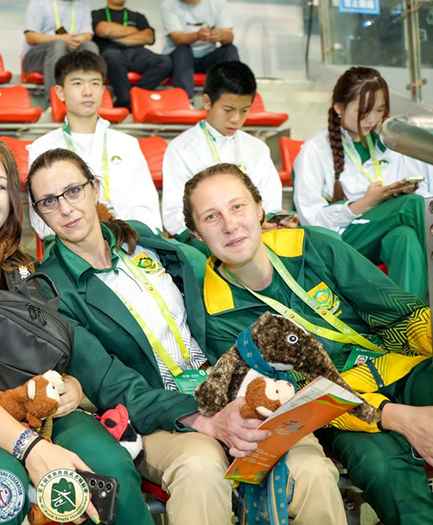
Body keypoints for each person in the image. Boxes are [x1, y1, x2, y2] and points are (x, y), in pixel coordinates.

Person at [28, 148, 347, 525]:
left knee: (312, 469)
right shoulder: (49, 288)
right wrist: (204, 420)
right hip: (159, 414)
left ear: (95, 188)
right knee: (200, 467)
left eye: (73, 191)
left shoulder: (143, 242)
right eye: (49, 201)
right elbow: (109, 382)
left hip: (230, 385)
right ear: (38, 215)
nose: (65, 209)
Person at [0, 135, 152, 524]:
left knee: (109, 467)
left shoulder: (21, 268)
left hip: (33, 409)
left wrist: (71, 388)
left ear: (13, 200)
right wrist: (31, 448)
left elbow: (48, 359)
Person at [184, 163, 433, 525]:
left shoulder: (311, 244)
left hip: (399, 368)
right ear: (195, 234)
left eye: (237, 207)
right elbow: (296, 397)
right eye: (211, 217)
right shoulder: (217, 314)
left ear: (259, 208)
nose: (229, 224)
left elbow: (398, 312)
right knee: (381, 466)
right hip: (336, 413)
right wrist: (399, 418)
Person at [293, 66, 431, 300]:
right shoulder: (314, 151)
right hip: (339, 240)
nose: (372, 119)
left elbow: (424, 188)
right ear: (339, 107)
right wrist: (363, 204)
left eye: (379, 110)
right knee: (411, 205)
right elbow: (311, 219)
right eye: (364, 111)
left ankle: (409, 326)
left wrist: (403, 190)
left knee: (404, 238)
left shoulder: (390, 144)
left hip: (383, 231)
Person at [28, 50, 161, 239]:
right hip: (71, 246)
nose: (88, 91)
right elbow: (41, 218)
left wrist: (124, 236)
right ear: (60, 92)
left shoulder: (127, 144)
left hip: (128, 241)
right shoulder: (42, 148)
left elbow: (146, 206)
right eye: (77, 83)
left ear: (103, 90)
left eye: (95, 83)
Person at [161, 60, 287, 250]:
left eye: (244, 110)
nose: (235, 119)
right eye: (228, 110)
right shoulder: (181, 148)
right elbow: (173, 215)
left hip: (256, 232)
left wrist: (264, 222)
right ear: (206, 101)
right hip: (206, 239)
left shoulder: (256, 148)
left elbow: (271, 203)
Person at [92, 0, 172, 109]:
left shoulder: (138, 16)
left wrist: (114, 36)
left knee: (165, 62)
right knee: (112, 57)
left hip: (137, 53)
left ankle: (132, 97)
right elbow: (103, 31)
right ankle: (126, 99)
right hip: (111, 52)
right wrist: (133, 30)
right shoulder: (97, 14)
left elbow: (148, 38)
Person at [160, 0, 239, 98]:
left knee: (229, 49)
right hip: (179, 60)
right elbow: (178, 39)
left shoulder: (218, 2)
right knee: (183, 49)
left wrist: (220, 35)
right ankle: (185, 100)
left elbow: (229, 37)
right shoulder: (168, 5)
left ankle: (233, 96)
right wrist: (198, 35)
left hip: (207, 58)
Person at [22, 0, 99, 94]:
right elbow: (30, 37)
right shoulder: (40, 1)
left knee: (89, 46)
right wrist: (62, 39)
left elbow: (88, 35)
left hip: (69, 55)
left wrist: (79, 39)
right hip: (37, 59)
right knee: (58, 44)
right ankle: (54, 103)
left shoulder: (83, 4)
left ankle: (91, 97)